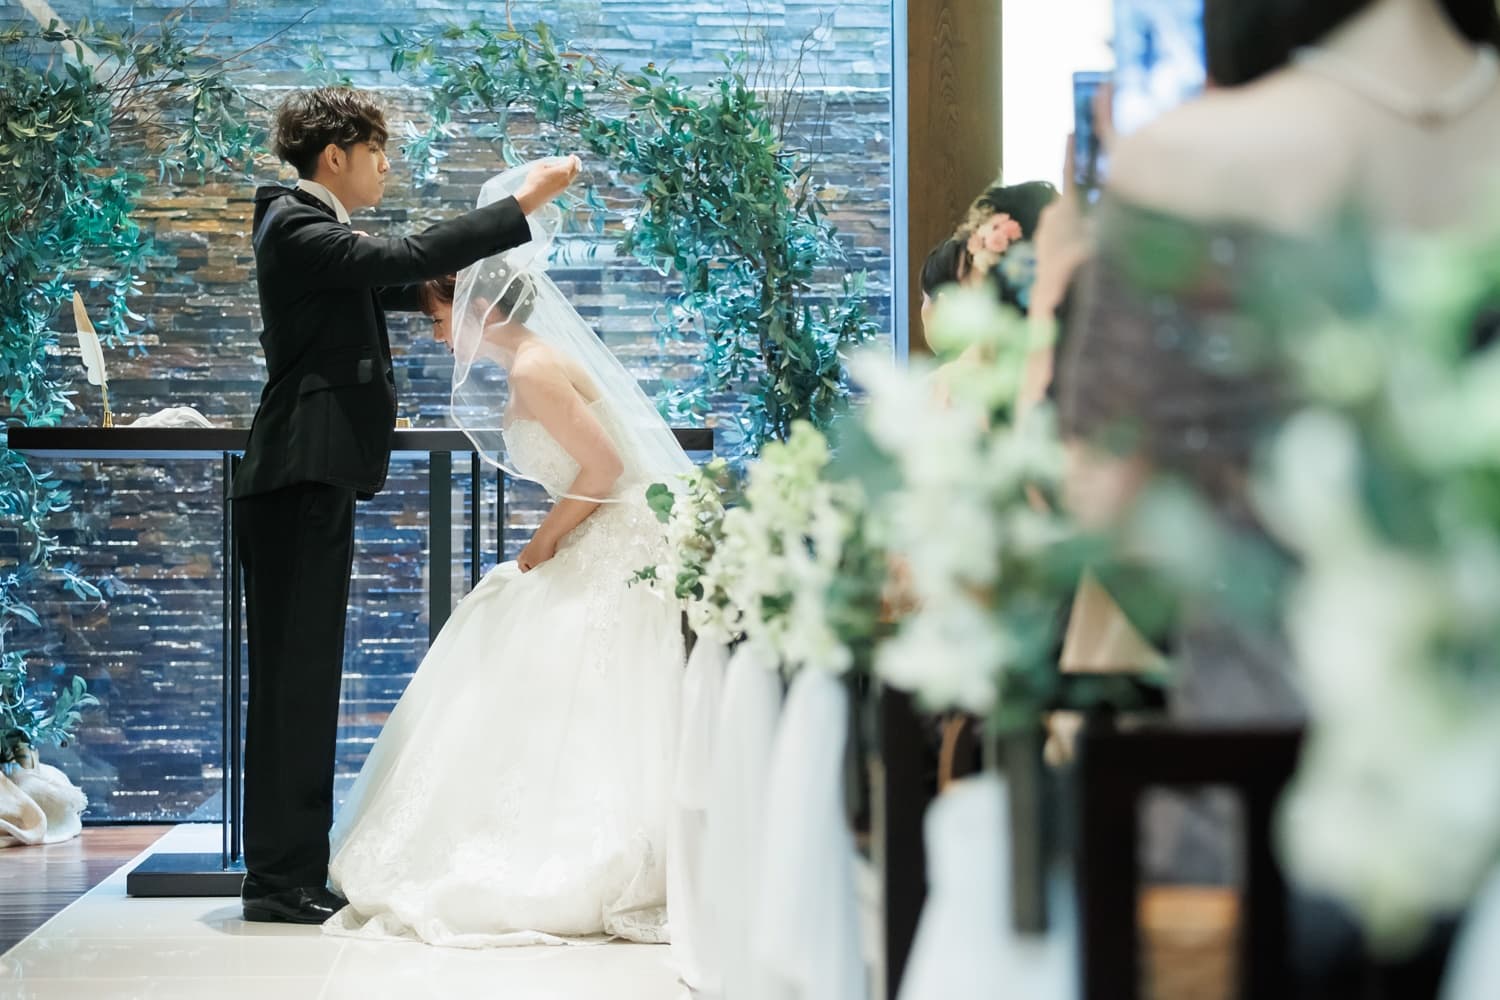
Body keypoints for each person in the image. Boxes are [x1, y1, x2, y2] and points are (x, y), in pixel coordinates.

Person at [232, 86, 579, 925]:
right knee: (295, 683)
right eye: (377, 151)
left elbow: (407, 276)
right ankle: (279, 880)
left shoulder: (316, 234)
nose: (387, 167)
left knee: (302, 680)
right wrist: (518, 207)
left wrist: (471, 298)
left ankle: (287, 869)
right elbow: (401, 256)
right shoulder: (296, 226)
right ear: (335, 156)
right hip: (298, 477)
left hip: (312, 477)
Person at [322, 164, 694, 947]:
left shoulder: (532, 368)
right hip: (601, 530)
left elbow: (605, 470)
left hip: (619, 539)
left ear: (474, 306)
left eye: (436, 314)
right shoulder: (529, 362)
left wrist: (543, 541)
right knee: (503, 622)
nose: (434, 333)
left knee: (526, 630)